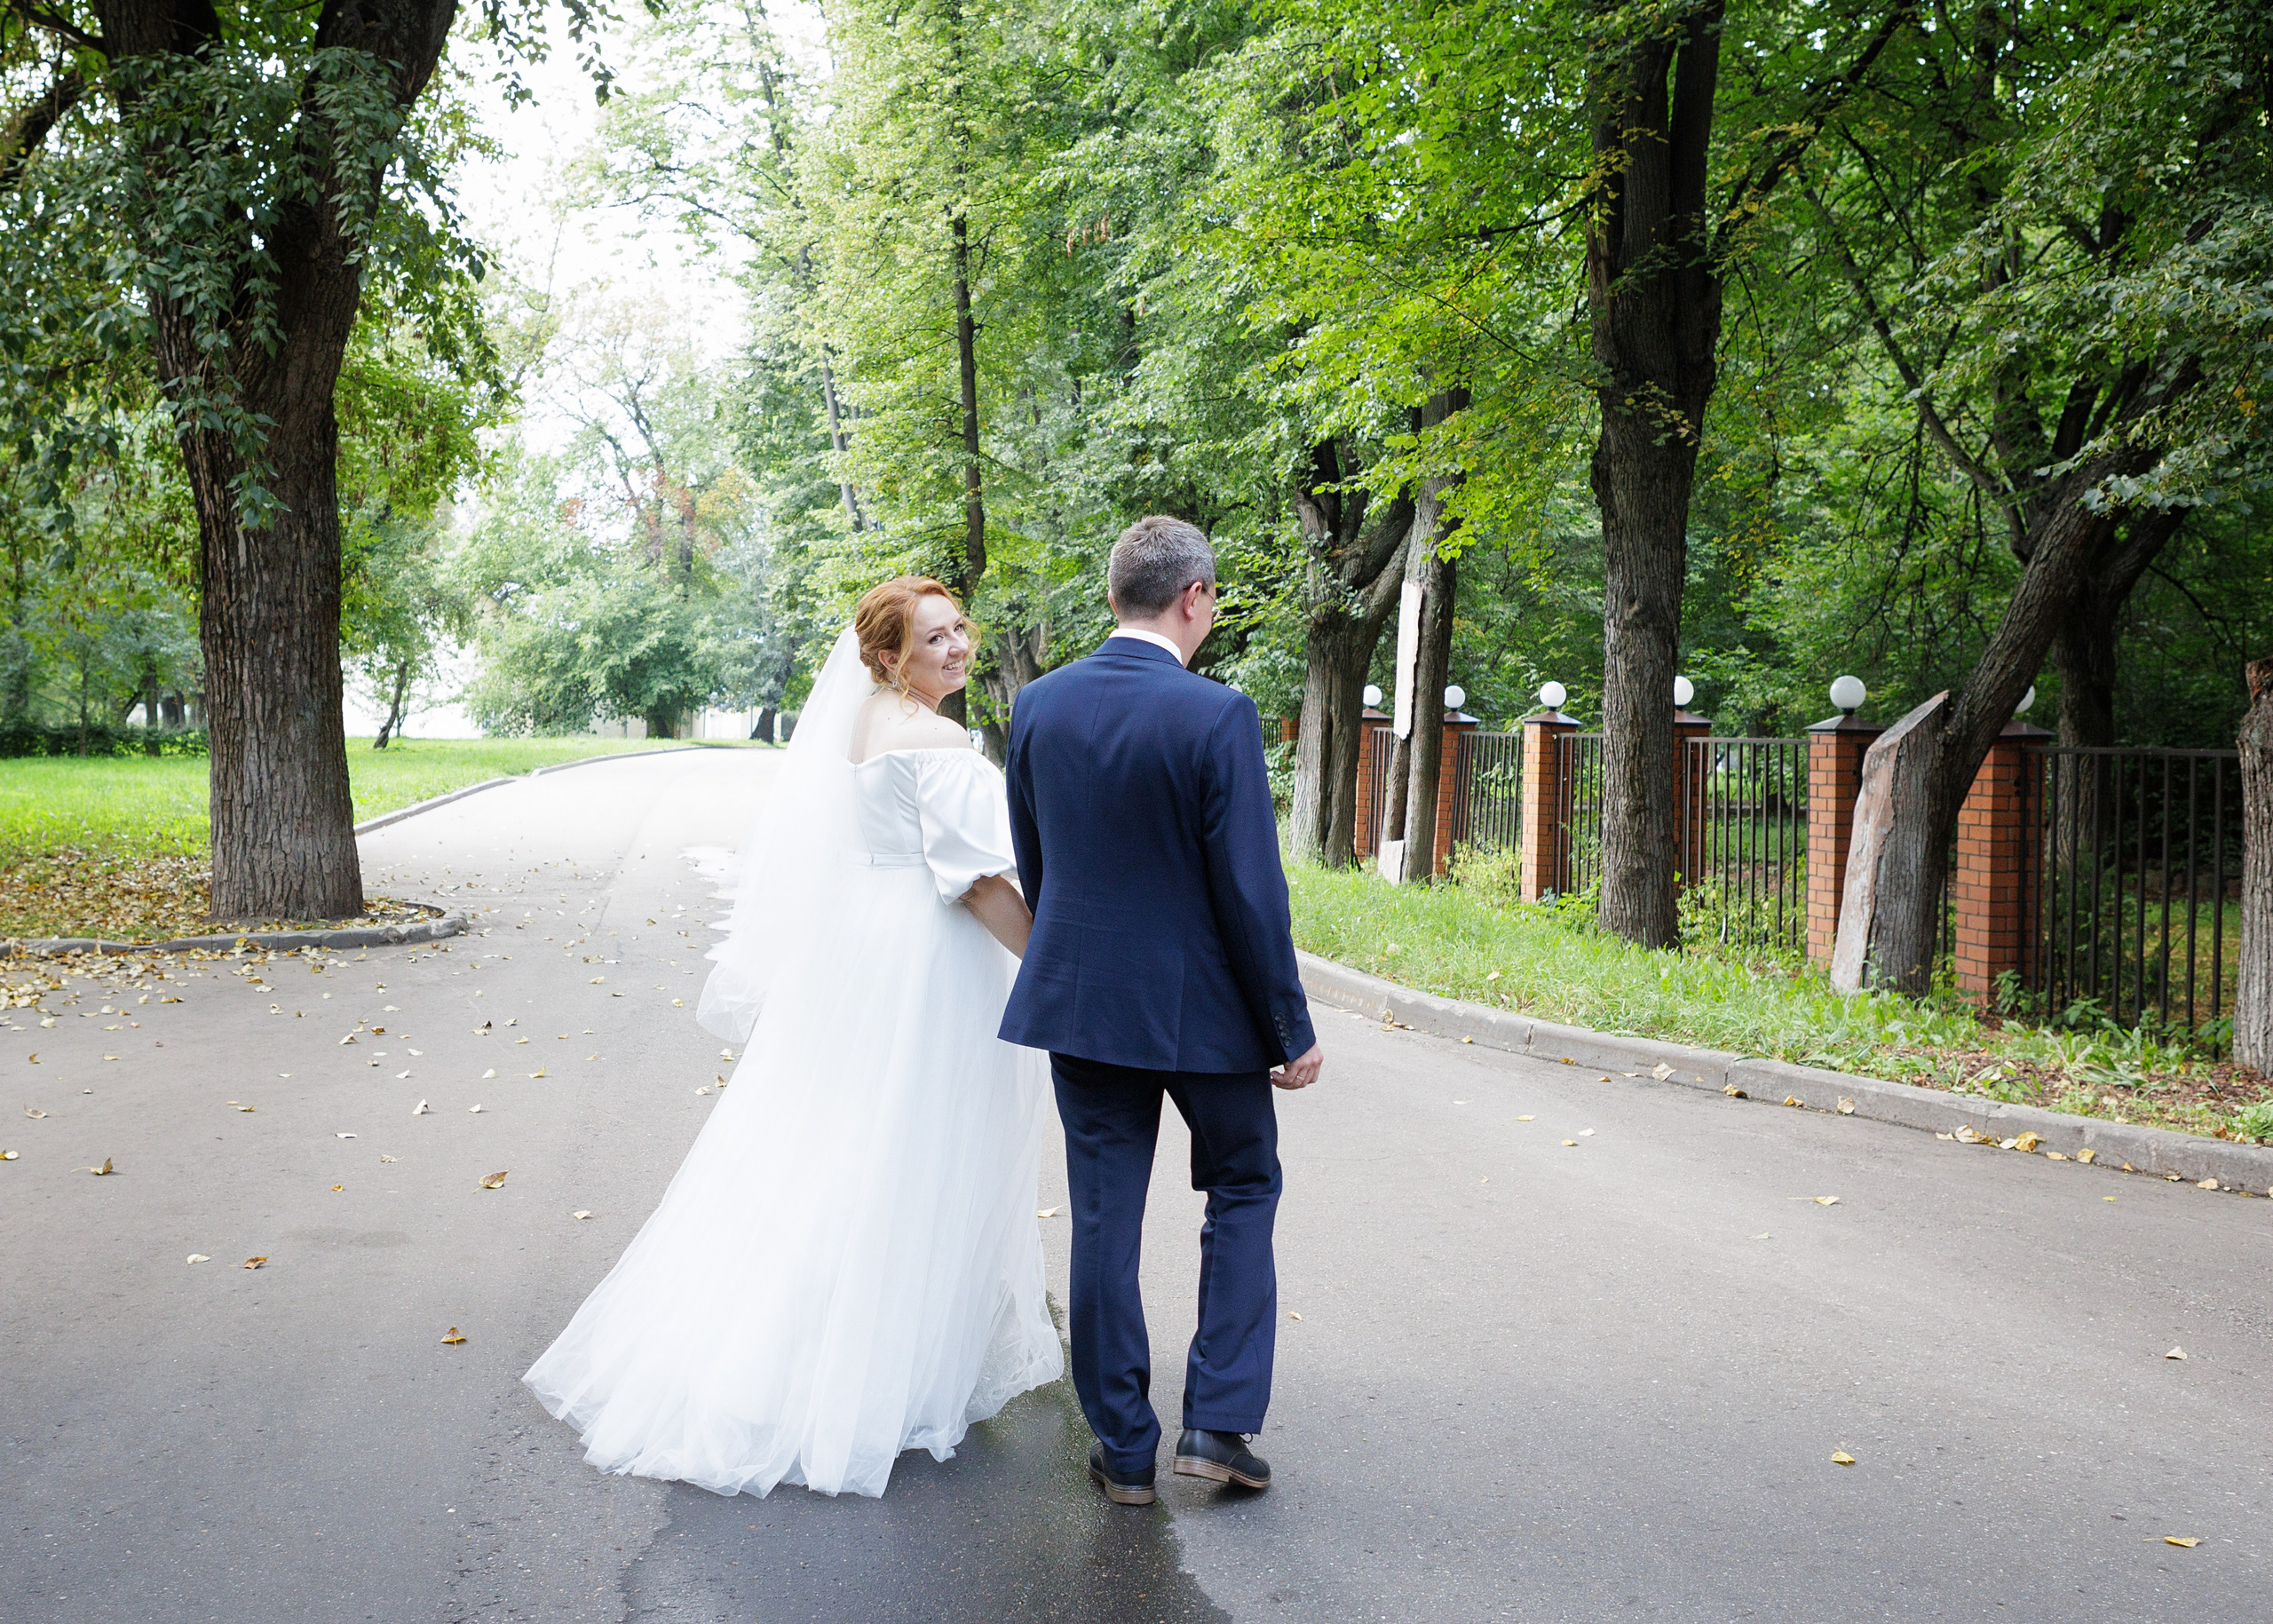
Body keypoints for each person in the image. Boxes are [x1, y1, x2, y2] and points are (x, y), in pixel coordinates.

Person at [523, 576, 1061, 1499]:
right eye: (933, 640)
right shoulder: (932, 738)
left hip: (866, 952)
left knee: (847, 1141)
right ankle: (871, 1368)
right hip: (928, 962)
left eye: (958, 630)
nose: (958, 649)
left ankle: (802, 1343)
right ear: (889, 657)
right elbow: (980, 883)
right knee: (912, 1149)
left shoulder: (864, 729)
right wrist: (1055, 975)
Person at [1002, 515, 1323, 1508]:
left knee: (1103, 1214)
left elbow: (1038, 860)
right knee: (1242, 1185)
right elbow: (1249, 890)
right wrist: (1288, 1025)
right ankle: (1219, 1422)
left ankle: (1125, 1447)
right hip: (1208, 1017)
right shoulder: (1216, 712)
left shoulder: (1038, 707)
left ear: (1112, 597)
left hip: (1085, 1005)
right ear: (1195, 598)